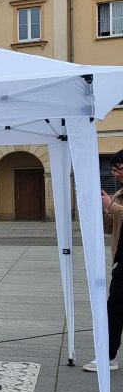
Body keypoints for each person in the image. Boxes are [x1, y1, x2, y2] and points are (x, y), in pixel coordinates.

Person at [85, 150, 123, 372]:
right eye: (114, 170)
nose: (116, 173)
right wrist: (102, 211)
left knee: (115, 307)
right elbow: (111, 228)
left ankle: (108, 356)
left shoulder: (116, 200)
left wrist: (112, 206)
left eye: (119, 169)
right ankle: (108, 356)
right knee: (115, 307)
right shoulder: (118, 194)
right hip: (121, 260)